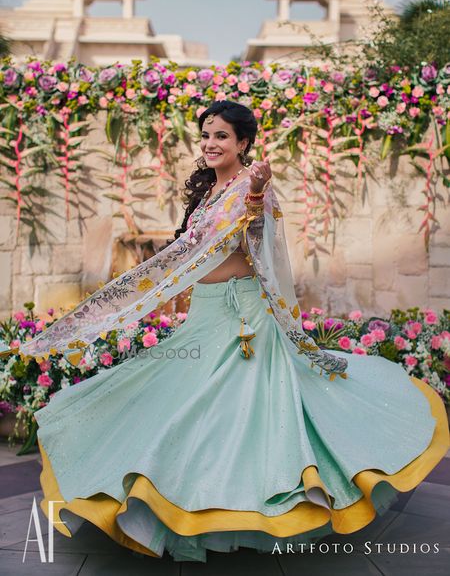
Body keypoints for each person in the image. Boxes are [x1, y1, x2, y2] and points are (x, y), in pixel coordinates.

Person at [14, 101, 450, 562]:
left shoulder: (252, 187)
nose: (210, 143)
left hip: (245, 318)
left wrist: (259, 193)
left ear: (243, 143)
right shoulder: (206, 194)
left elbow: (260, 241)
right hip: (204, 315)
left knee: (236, 416)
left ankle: (242, 513)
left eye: (221, 135)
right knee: (169, 403)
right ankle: (176, 505)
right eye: (206, 135)